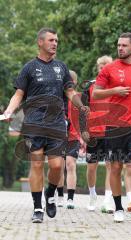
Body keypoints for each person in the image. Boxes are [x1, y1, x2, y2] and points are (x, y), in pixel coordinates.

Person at [4, 28, 88, 223]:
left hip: (57, 123)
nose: (55, 43)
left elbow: (69, 92)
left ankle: (50, 194)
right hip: (33, 122)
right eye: (51, 40)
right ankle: (37, 207)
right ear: (40, 43)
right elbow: (18, 94)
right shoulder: (29, 68)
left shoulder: (61, 67)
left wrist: (81, 106)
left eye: (57, 40)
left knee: (57, 166)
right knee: (36, 164)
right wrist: (9, 111)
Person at [92, 32, 131, 223]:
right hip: (115, 125)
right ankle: (118, 208)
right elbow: (95, 94)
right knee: (116, 166)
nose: (120, 48)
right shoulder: (109, 69)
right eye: (118, 45)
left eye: (124, 45)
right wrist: (114, 91)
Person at [82, 56, 114, 213]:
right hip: (93, 132)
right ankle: (93, 195)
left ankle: (107, 201)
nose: (103, 69)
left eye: (106, 66)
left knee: (111, 166)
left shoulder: (117, 87)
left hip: (112, 131)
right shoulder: (90, 86)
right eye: (101, 66)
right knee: (91, 167)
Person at [57, 70, 82, 209]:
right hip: (58, 135)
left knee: (71, 164)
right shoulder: (58, 98)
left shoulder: (78, 98)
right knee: (59, 166)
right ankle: (60, 196)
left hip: (73, 135)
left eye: (71, 81)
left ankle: (70, 198)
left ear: (75, 82)